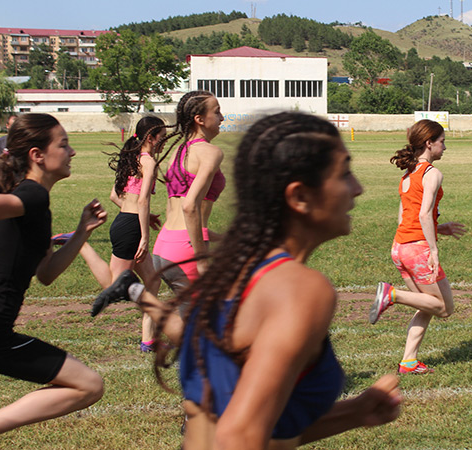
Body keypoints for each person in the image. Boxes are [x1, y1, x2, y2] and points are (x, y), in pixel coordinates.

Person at [93, 112, 401, 449]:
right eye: (343, 173)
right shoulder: (300, 290)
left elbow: (251, 427)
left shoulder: (236, 269)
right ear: (298, 197)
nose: (358, 188)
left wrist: (353, 413)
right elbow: (237, 438)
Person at [0, 113, 107, 450]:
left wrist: (81, 233)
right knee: (88, 385)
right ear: (38, 154)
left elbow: (46, 274)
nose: (72, 152)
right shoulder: (31, 195)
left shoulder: (34, 203)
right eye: (64, 144)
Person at [369, 119, 467, 375]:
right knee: (445, 308)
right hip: (417, 249)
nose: (445, 147)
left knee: (427, 304)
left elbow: (404, 218)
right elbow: (423, 215)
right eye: (442, 142)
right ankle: (393, 295)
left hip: (400, 247)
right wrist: (433, 250)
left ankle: (408, 362)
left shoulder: (407, 176)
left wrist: (438, 228)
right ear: (429, 143)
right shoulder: (431, 173)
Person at [63, 116, 166, 352]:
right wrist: (144, 235)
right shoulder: (148, 162)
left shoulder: (132, 158)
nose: (163, 143)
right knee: (113, 284)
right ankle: (80, 244)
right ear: (151, 138)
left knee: (153, 280)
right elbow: (142, 200)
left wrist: (142, 217)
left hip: (127, 222)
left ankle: (148, 341)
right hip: (130, 228)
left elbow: (115, 196)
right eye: (161, 138)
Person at [151, 91, 225, 294]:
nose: (222, 118)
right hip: (186, 252)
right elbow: (189, 206)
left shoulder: (177, 152)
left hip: (163, 247)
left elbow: (178, 212)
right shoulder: (211, 152)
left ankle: (134, 292)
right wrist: (200, 259)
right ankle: (131, 290)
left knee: (192, 320)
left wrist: (221, 238)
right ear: (199, 119)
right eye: (217, 112)